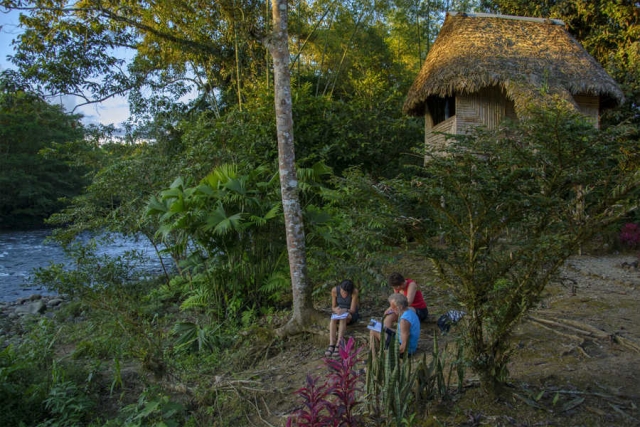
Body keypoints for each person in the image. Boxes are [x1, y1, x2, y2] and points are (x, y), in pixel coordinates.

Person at [325, 279, 359, 357]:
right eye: (343, 291)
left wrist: (345, 310)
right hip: (339, 312)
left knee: (343, 318)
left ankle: (339, 343)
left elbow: (353, 310)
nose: (344, 293)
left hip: (349, 313)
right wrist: (336, 309)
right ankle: (332, 343)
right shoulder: (335, 290)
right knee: (333, 319)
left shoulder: (354, 292)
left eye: (346, 292)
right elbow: (333, 307)